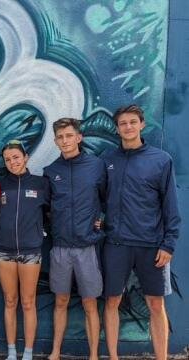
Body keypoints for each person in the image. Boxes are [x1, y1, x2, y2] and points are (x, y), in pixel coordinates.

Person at [102, 105, 180, 360]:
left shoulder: (161, 160)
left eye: (133, 122)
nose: (128, 127)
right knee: (112, 301)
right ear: (117, 128)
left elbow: (170, 205)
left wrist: (168, 244)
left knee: (156, 305)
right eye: (123, 123)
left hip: (151, 245)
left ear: (142, 124)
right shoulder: (108, 161)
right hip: (116, 244)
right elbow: (97, 199)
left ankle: (162, 357)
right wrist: (98, 220)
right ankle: (113, 356)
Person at [42, 118, 106, 360]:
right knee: (61, 300)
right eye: (60, 137)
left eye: (69, 135)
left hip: (87, 246)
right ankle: (55, 352)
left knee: (90, 303)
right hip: (59, 248)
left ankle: (93, 355)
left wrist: (103, 221)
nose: (65, 141)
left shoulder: (97, 166)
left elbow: (107, 199)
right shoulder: (51, 171)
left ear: (79, 137)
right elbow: (46, 208)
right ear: (56, 141)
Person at [0, 140, 50, 360]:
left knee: (28, 302)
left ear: (25, 157)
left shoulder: (41, 184)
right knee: (10, 300)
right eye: (7, 159)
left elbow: (53, 212)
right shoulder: (0, 185)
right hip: (4, 251)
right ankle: (11, 352)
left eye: (16, 157)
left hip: (31, 251)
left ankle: (27, 352)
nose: (12, 162)